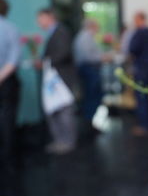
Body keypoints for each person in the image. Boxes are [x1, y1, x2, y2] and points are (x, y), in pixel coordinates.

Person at [37, 8, 76, 154]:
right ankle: (61, 140)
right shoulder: (54, 32)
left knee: (64, 110)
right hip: (55, 78)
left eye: (40, 18)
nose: (39, 22)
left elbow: (63, 53)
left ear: (49, 17)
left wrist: (45, 62)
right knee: (56, 110)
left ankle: (67, 141)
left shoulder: (61, 31)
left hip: (61, 78)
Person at [73, 19, 108, 135]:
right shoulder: (84, 38)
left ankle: (90, 123)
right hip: (89, 70)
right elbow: (88, 57)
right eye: (97, 26)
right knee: (91, 97)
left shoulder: (86, 37)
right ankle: (88, 125)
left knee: (93, 96)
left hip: (90, 70)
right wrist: (103, 58)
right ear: (91, 26)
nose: (98, 29)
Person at [0, 0, 21, 178]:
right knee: (8, 116)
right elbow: (13, 60)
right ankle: (8, 154)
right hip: (6, 80)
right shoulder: (10, 28)